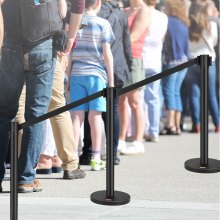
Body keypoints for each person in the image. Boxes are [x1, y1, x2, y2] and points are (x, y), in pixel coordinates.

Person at [0, 0, 85, 193]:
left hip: (11, 43)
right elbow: (64, 10)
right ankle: (25, 179)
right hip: (42, 43)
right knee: (36, 114)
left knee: (4, 113)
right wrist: (70, 36)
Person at [79, 0, 132, 166]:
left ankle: (88, 152)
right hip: (117, 68)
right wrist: (128, 68)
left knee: (90, 111)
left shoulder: (91, 12)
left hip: (94, 66)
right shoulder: (120, 13)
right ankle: (112, 153)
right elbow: (126, 44)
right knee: (112, 111)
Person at [67, 0, 115, 171]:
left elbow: (70, 53)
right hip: (96, 75)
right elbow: (107, 54)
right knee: (95, 117)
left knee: (76, 117)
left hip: (77, 73)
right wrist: (111, 81)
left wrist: (68, 76)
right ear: (98, 3)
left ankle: (72, 158)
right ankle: (95, 156)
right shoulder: (103, 24)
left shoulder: (76, 23)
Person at [118, 0, 151, 155]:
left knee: (135, 101)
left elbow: (134, 36)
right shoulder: (125, 10)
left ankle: (138, 141)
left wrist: (113, 45)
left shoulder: (143, 11)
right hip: (121, 59)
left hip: (133, 59)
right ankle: (121, 139)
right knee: (121, 102)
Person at [186, 0, 219, 133]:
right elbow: (215, 42)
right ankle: (217, 123)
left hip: (192, 61)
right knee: (211, 94)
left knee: (194, 94)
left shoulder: (188, 25)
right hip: (209, 61)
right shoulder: (211, 24)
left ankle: (197, 124)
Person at [160, 0, 190, 136]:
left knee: (169, 91)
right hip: (184, 61)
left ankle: (170, 124)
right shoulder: (183, 23)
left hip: (172, 61)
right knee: (176, 92)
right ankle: (177, 125)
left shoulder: (167, 22)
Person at [142, 0, 168, 142]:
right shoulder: (163, 17)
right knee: (154, 98)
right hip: (155, 59)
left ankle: (142, 130)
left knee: (140, 98)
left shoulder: (143, 13)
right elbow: (162, 38)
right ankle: (154, 130)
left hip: (142, 58)